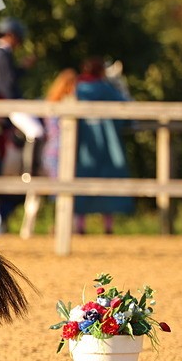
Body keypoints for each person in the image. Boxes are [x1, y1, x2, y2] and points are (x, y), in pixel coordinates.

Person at [73, 57, 133, 234]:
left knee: (80, 181)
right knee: (109, 180)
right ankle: (108, 226)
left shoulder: (76, 89)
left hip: (82, 146)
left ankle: (80, 225)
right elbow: (126, 109)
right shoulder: (107, 89)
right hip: (107, 145)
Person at [0, 16, 32, 100]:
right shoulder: (1, 54)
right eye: (18, 38)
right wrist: (23, 68)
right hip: (7, 100)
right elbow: (8, 81)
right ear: (10, 35)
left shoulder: (1, 52)